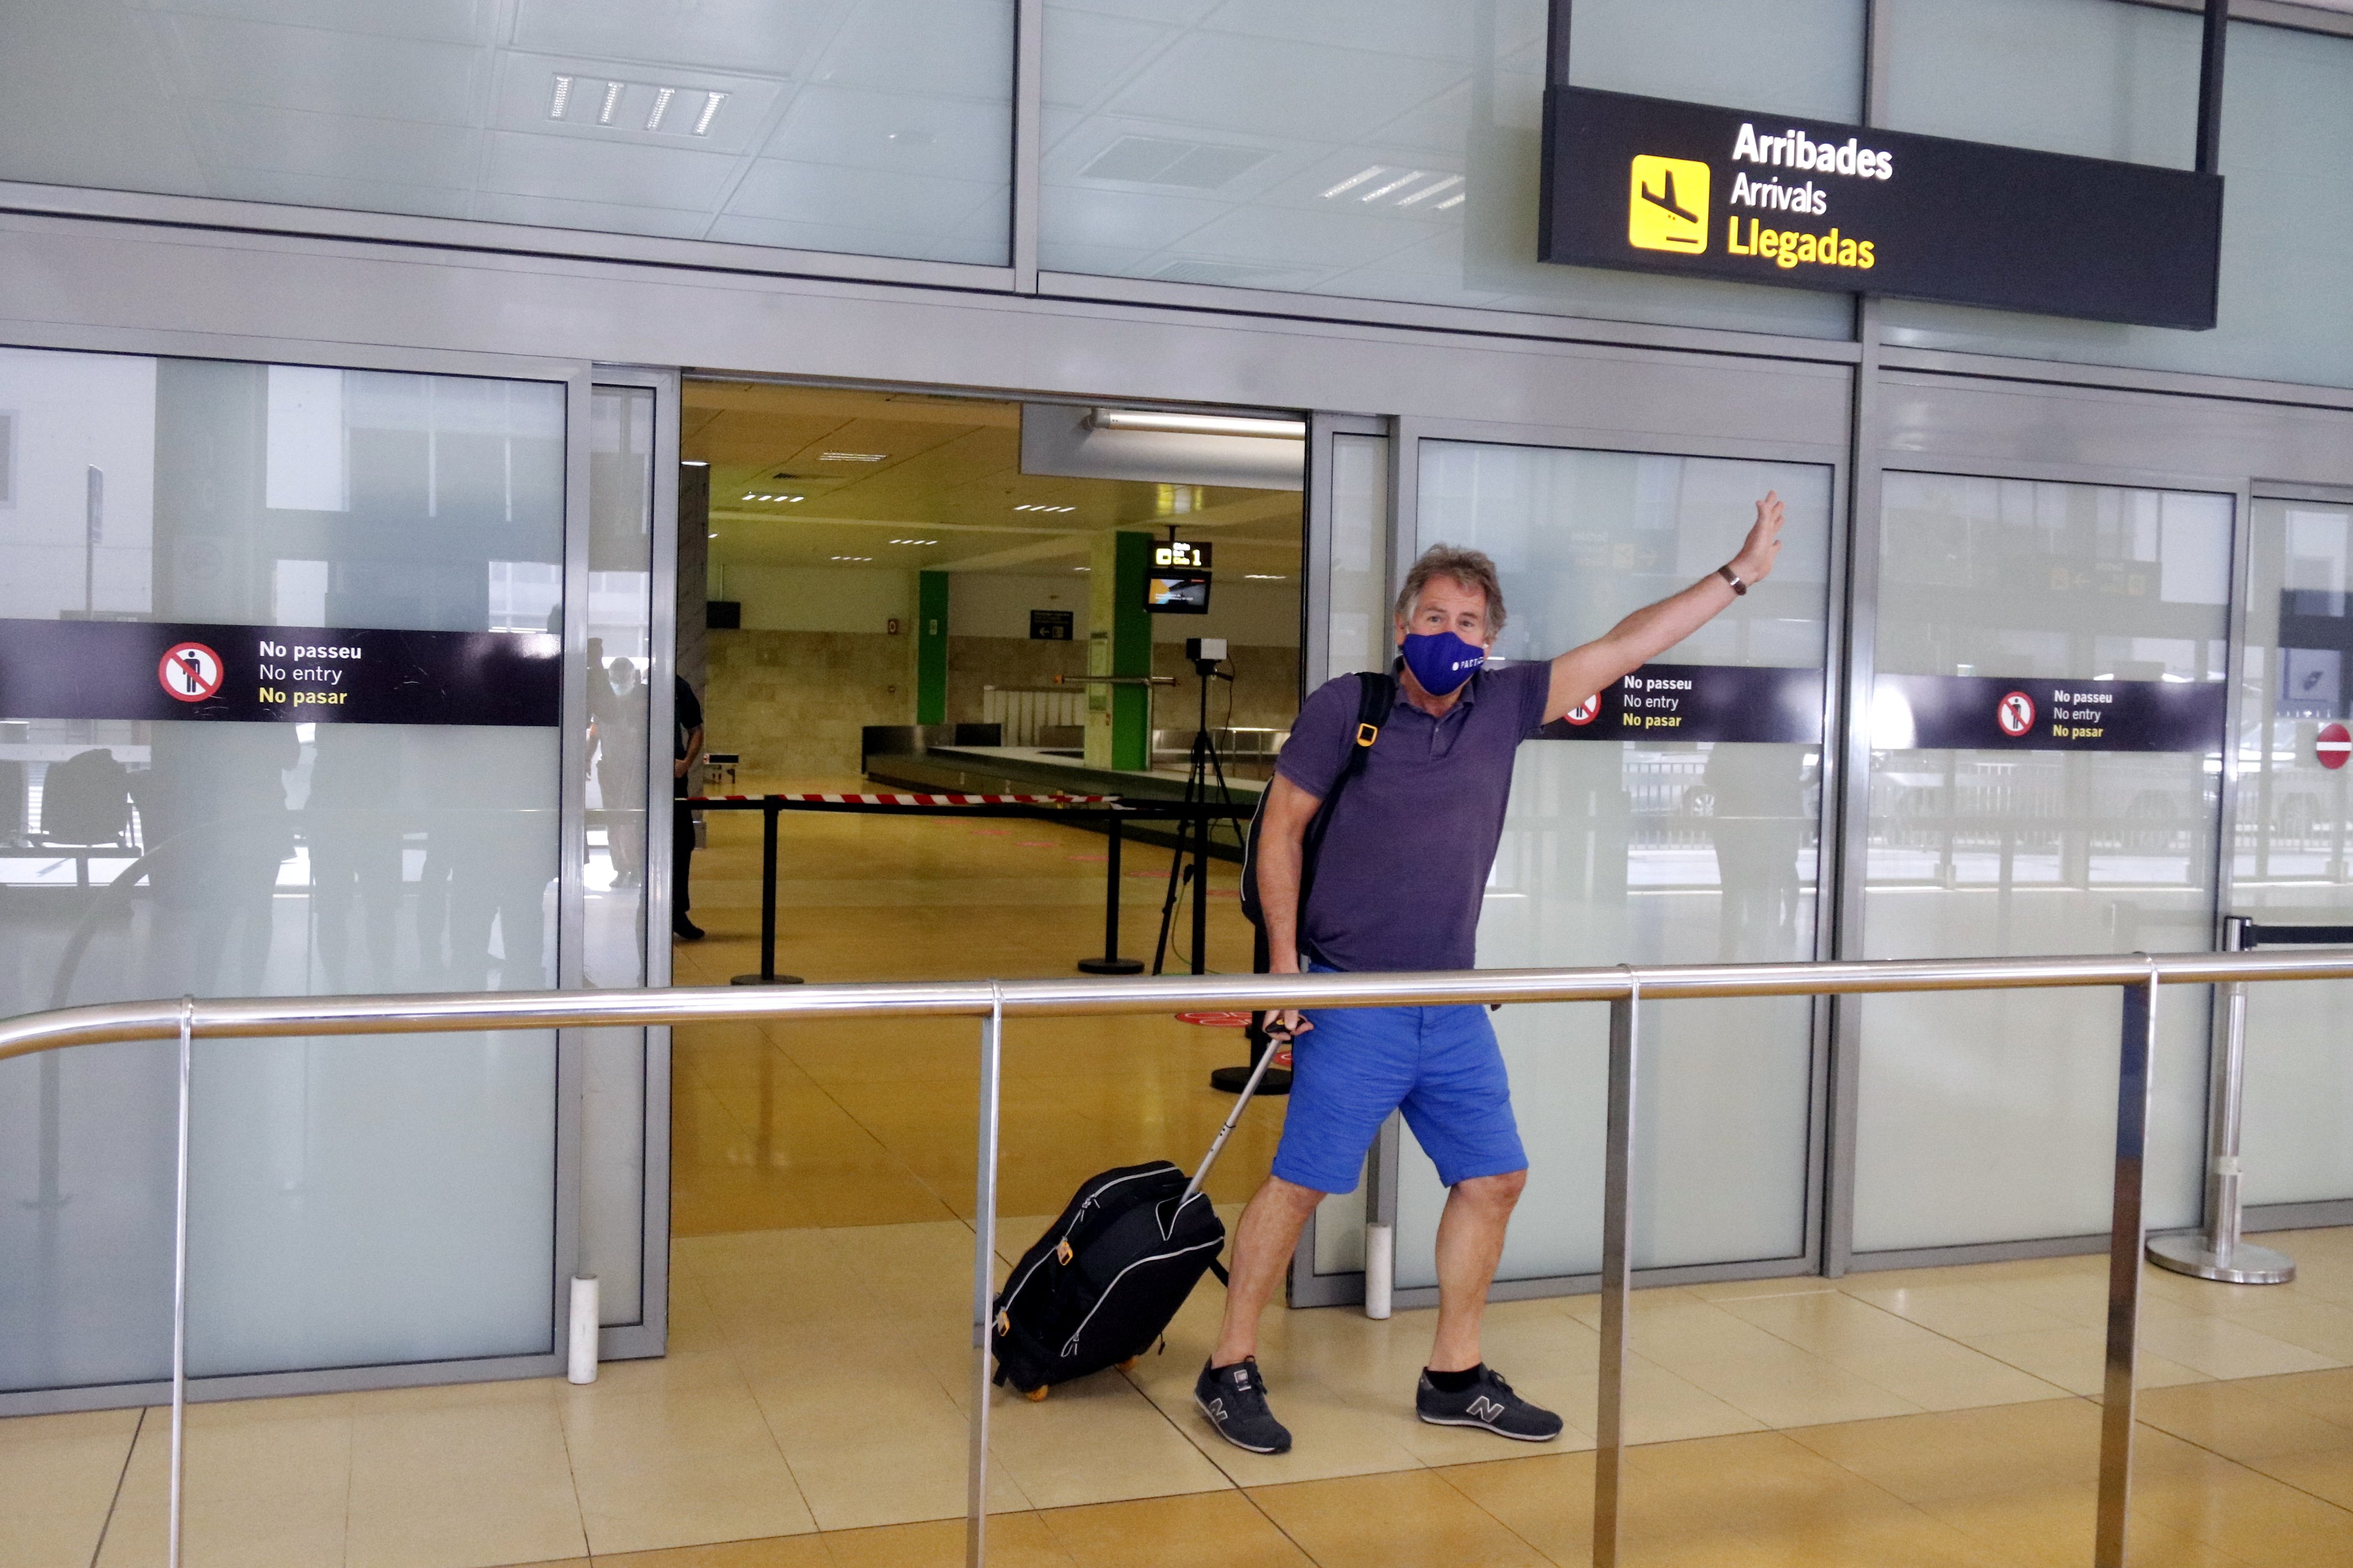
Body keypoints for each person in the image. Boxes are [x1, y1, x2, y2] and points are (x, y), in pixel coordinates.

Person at [1196, 492, 1786, 1455]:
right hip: (1352, 993)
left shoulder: (1506, 703)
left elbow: (1625, 642)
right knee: (1303, 1183)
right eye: (1431, 616)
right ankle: (1228, 1365)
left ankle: (1453, 1374)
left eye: (1467, 620)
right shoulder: (1351, 705)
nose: (1448, 632)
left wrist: (1737, 574)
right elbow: (1283, 829)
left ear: (1491, 636)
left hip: (1453, 1001)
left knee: (1494, 1177)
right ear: (1401, 626)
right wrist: (1282, 971)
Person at [673, 674, 706, 941]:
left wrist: (685, 763)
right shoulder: (637, 686)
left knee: (683, 841)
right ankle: (648, 912)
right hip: (635, 777)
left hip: (673, 778)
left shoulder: (678, 686)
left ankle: (676, 912)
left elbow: (696, 729)